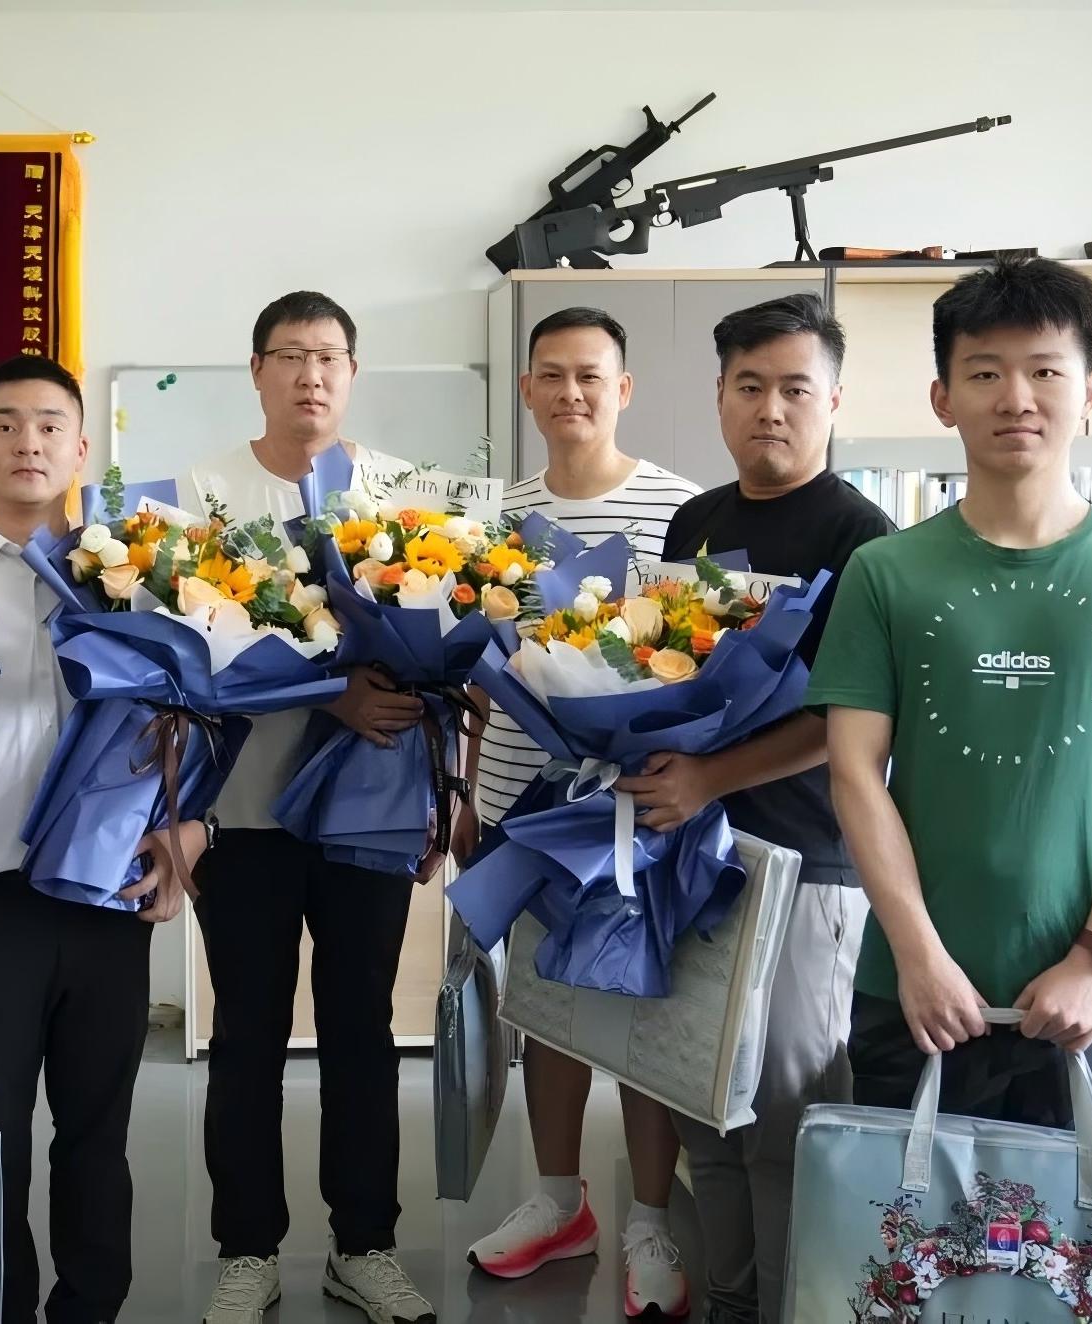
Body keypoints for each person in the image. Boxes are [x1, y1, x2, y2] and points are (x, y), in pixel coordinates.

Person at [811, 256, 1092, 1142]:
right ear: (942, 398)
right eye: (983, 373)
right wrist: (917, 955)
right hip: (915, 991)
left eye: (1044, 371)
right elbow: (854, 773)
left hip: (1091, 1000)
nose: (1015, 397)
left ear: (1088, 391)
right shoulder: (884, 572)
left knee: (1085, 1230)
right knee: (904, 1230)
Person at [0, 354, 206, 1324]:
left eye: (50, 425)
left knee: (98, 1136)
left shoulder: (133, 579)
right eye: (6, 424)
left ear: (82, 447)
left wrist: (190, 834)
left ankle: (91, 1307)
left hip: (107, 899)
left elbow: (196, 727)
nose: (29, 442)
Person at [629, 293, 892, 1324]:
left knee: (788, 1120)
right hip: (697, 856)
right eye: (749, 386)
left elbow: (849, 720)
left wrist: (708, 778)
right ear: (720, 396)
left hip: (808, 862)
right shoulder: (697, 521)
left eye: (794, 388)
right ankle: (731, 1302)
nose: (770, 409)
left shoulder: (861, 536)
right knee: (707, 1112)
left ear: (833, 400)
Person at [186, 291, 437, 1324]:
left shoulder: (402, 496)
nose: (310, 374)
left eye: (328, 355)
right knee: (245, 1033)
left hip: (369, 808)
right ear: (257, 371)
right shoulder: (205, 494)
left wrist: (441, 795)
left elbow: (445, 660)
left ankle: (363, 1246)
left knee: (362, 1030)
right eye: (289, 355)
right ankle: (246, 1251)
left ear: (352, 372)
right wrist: (330, 690)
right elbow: (195, 657)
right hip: (243, 811)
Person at [462, 307, 700, 1319]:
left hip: (637, 806)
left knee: (644, 1012)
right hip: (520, 799)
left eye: (590, 375)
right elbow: (471, 674)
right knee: (543, 1007)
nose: (571, 392)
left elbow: (700, 651)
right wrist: (466, 792)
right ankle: (559, 1200)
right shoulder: (495, 517)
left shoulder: (681, 509)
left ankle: (650, 1215)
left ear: (623, 388)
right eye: (551, 375)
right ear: (526, 390)